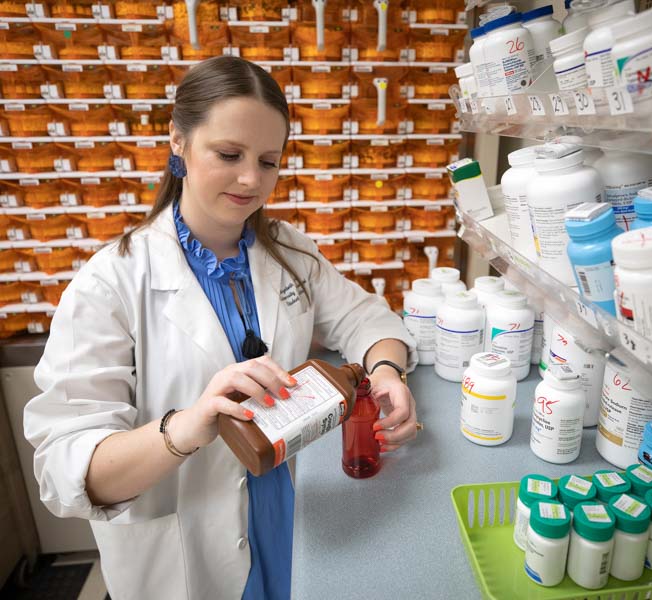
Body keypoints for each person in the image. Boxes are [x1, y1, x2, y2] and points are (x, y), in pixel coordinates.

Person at [23, 56, 419, 600]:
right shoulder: (111, 283)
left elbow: (368, 319)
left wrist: (387, 370)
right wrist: (185, 426)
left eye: (269, 161)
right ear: (178, 143)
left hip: (287, 526)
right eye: (229, 154)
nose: (251, 179)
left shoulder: (291, 254)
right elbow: (66, 470)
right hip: (183, 561)